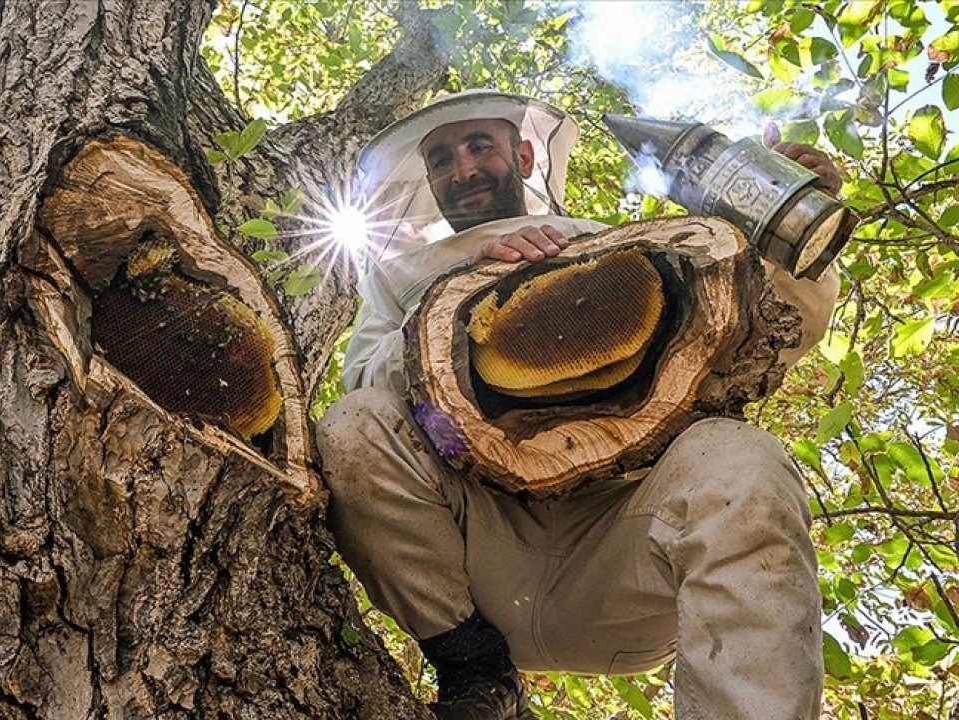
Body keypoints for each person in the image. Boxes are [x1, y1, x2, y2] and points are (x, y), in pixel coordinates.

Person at [316, 90, 843, 720]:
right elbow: (365, 397)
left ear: (526, 154)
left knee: (742, 458)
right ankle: (478, 676)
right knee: (354, 423)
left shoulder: (609, 240)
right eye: (442, 157)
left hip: (625, 551)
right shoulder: (394, 278)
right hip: (473, 560)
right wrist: (458, 308)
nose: (463, 168)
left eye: (480, 144)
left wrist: (792, 238)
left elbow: (774, 331)